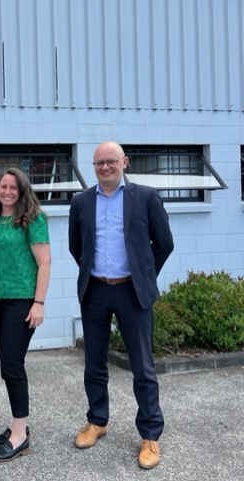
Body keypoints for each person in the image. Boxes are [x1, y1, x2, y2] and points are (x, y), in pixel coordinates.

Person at [68, 141, 174, 469]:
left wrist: (142, 275)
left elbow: (164, 243)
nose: (105, 167)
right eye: (99, 163)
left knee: (142, 367)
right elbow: (77, 247)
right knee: (94, 364)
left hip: (133, 293)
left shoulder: (145, 197)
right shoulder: (81, 201)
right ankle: (97, 421)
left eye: (111, 161)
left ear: (124, 162)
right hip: (96, 291)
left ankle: (150, 435)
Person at [0, 167, 51, 462]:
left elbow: (44, 263)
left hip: (22, 301)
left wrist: (39, 303)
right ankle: (16, 423)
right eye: (2, 187)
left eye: (12, 187)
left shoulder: (34, 219)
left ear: (21, 190)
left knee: (12, 365)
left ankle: (20, 435)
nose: (7, 191)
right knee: (8, 365)